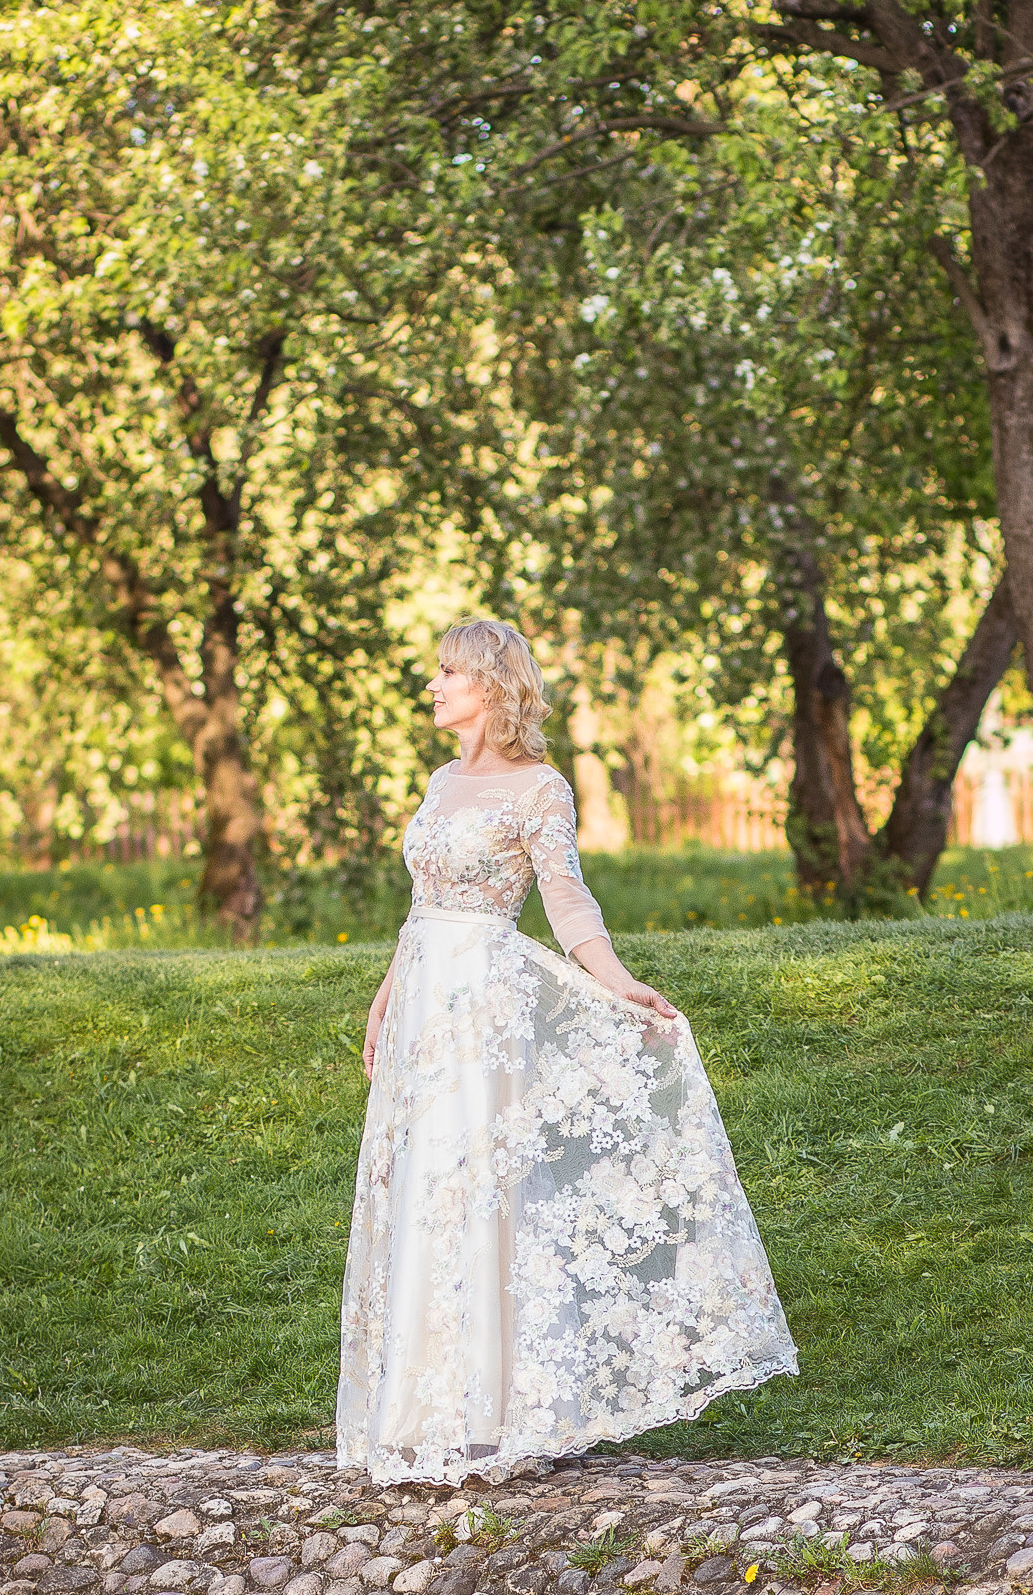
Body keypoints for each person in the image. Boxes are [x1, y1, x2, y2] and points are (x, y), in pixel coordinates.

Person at [337, 617, 797, 1484]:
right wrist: (385, 996)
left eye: (448, 673)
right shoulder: (440, 780)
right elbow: (421, 904)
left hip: (483, 1010)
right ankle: (416, 1412)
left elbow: (565, 896)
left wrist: (618, 981)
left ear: (493, 685)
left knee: (474, 1190)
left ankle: (490, 1414)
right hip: (423, 1000)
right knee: (418, 1188)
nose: (432, 686)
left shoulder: (540, 788)